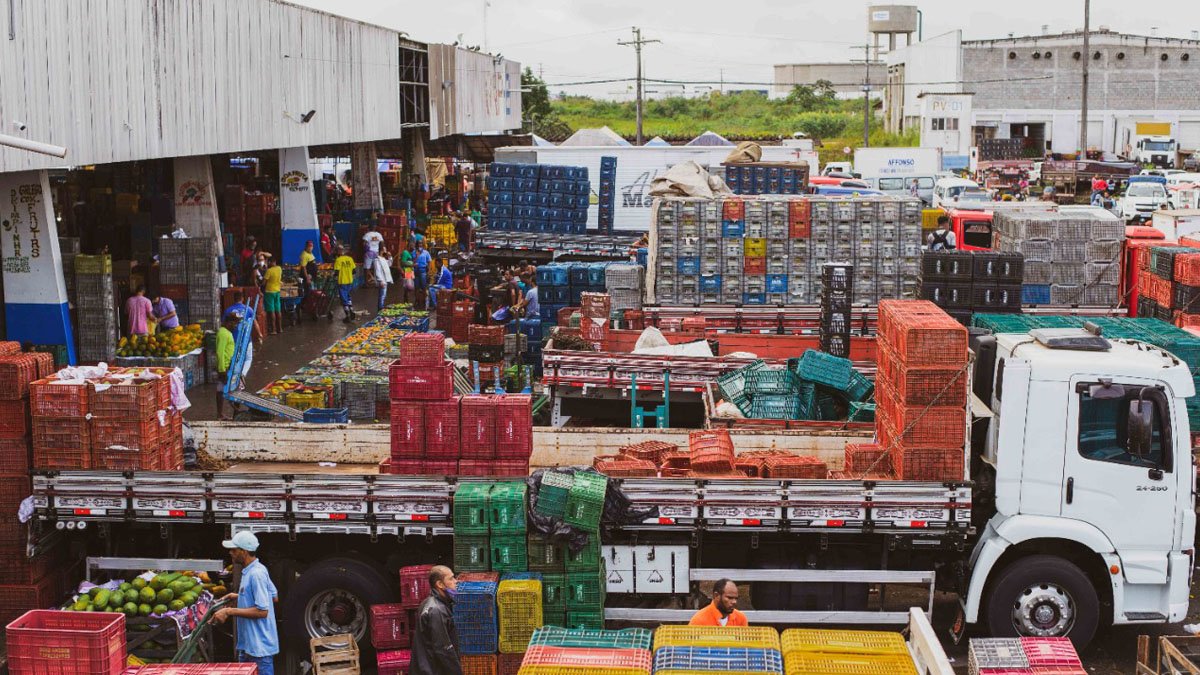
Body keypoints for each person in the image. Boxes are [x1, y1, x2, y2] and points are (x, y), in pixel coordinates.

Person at [213, 531, 278, 675]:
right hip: (248, 646)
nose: (231, 553)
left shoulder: (257, 574)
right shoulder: (254, 570)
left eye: (234, 550)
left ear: (244, 551)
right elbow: (273, 596)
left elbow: (263, 611)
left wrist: (229, 611)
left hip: (259, 650)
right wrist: (237, 596)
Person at [410, 565, 461, 675]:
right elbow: (443, 649)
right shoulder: (437, 611)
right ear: (440, 584)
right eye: (451, 578)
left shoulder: (428, 603)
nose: (456, 581)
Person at [223, 289, 264, 381]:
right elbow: (255, 323)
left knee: (235, 358)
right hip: (246, 339)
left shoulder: (228, 310)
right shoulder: (248, 309)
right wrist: (259, 334)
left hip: (233, 339)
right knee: (248, 358)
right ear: (242, 299)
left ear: (234, 299)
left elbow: (224, 326)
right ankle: (242, 374)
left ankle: (234, 377)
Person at [215, 312, 239, 420]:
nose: (236, 326)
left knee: (225, 389)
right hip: (224, 367)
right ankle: (220, 414)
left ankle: (232, 411)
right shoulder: (223, 333)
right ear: (230, 322)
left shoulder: (226, 332)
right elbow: (220, 352)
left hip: (227, 366)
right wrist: (222, 370)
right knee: (221, 390)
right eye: (235, 323)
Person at [334, 245, 358, 322]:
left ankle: (347, 315)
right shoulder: (350, 259)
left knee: (343, 298)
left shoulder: (338, 260)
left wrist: (334, 275)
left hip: (342, 281)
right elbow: (354, 271)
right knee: (348, 296)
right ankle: (351, 310)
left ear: (338, 252)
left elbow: (336, 272)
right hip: (350, 281)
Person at [262, 256, 283, 335]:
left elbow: (264, 283)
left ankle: (274, 330)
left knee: (272, 311)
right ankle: (280, 328)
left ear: (270, 262)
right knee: (278, 310)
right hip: (277, 291)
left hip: (269, 291)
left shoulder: (269, 271)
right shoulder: (279, 269)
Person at [372, 246, 394, 311]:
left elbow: (389, 264)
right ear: (381, 250)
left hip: (385, 279)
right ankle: (380, 308)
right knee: (382, 295)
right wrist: (380, 280)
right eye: (385, 250)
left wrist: (390, 257)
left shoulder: (383, 259)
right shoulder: (377, 260)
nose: (386, 251)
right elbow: (377, 271)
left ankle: (381, 307)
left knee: (383, 295)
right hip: (382, 280)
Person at [414, 241, 432, 310]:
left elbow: (429, 261)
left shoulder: (426, 252)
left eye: (421, 244)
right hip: (415, 271)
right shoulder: (414, 252)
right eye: (418, 244)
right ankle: (417, 300)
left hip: (423, 270)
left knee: (424, 286)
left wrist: (429, 271)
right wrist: (416, 256)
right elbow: (412, 261)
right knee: (416, 287)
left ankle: (424, 300)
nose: (420, 245)